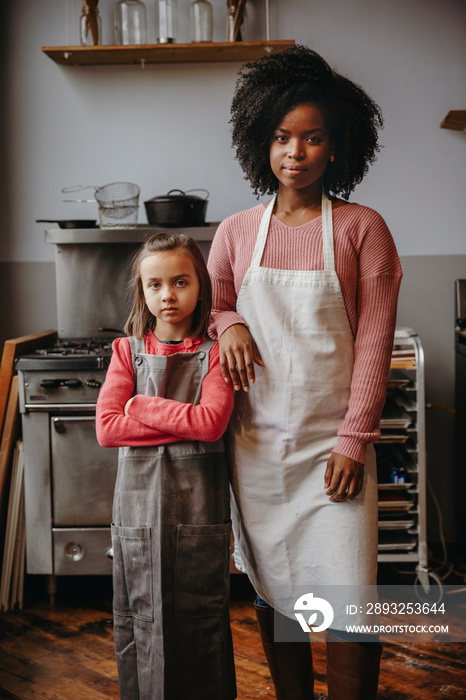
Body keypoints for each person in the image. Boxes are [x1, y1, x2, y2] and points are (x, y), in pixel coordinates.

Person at [207, 45, 402, 700]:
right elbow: (214, 304)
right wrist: (227, 322)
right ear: (262, 142)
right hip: (257, 451)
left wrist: (354, 440)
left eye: (313, 138)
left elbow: (374, 343)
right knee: (275, 594)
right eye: (283, 137)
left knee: (348, 604)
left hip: (333, 451)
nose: (296, 152)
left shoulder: (362, 229)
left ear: (337, 147)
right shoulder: (235, 233)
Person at [96, 233, 236, 700]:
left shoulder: (216, 352)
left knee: (200, 617)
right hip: (137, 517)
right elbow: (107, 430)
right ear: (143, 290)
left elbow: (212, 423)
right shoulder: (126, 351)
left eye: (180, 282)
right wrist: (186, 423)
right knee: (141, 618)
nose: (167, 295)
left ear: (201, 287)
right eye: (154, 285)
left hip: (198, 513)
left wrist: (139, 404)